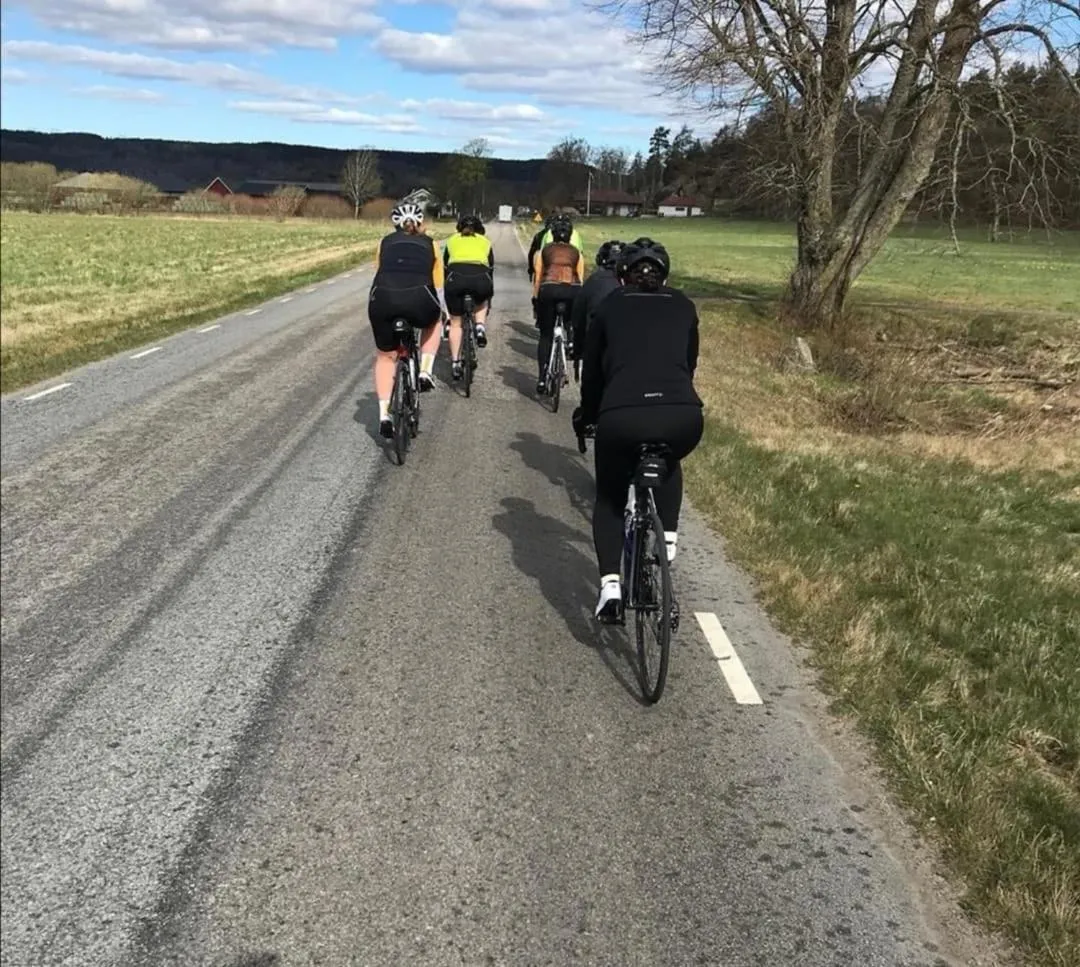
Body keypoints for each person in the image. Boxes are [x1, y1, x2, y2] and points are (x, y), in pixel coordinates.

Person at [571, 238, 704, 622]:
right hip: (682, 414)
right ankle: (668, 538)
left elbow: (593, 374)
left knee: (611, 497)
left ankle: (610, 587)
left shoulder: (610, 306)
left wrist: (588, 415)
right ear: (665, 274)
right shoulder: (683, 305)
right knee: (671, 457)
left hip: (623, 415)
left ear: (621, 275)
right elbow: (688, 363)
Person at [367, 202, 446, 439]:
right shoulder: (430, 244)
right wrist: (444, 312)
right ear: (420, 224)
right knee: (435, 322)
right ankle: (424, 371)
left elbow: (379, 271)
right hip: (419, 298)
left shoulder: (385, 243)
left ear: (395, 224)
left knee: (385, 356)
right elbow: (439, 284)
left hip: (383, 299)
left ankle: (383, 415)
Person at [532, 219, 585, 395]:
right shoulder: (577, 253)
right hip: (572, 290)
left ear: (552, 235)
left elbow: (538, 277)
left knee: (546, 335)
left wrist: (535, 298)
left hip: (549, 289)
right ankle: (570, 341)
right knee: (570, 321)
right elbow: (581, 278)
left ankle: (541, 378)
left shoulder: (543, 251)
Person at [443, 213, 495, 380]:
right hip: (480, 278)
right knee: (482, 301)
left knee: (456, 323)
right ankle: (480, 326)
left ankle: (455, 363)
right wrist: (489, 294)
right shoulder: (485, 242)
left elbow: (445, 266)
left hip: (456, 278)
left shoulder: (452, 240)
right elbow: (491, 268)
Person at [570, 239, 623, 361]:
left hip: (597, 343)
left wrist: (578, 349)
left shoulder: (593, 281)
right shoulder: (633, 283)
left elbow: (578, 316)